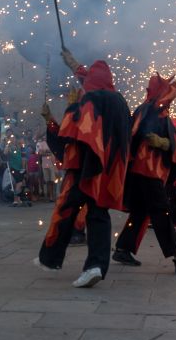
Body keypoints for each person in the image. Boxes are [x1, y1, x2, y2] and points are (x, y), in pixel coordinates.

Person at [37, 50, 132, 288]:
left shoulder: (89, 100)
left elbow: (70, 132)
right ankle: (95, 266)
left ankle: (51, 258)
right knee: (99, 214)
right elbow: (88, 78)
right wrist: (72, 63)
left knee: (66, 209)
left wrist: (58, 114)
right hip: (108, 170)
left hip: (84, 167)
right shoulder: (120, 101)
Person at [112, 68, 176, 273]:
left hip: (147, 170)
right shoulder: (150, 108)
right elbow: (162, 102)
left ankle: (123, 249)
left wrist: (165, 144)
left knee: (141, 211)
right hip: (147, 170)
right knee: (161, 211)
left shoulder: (154, 111)